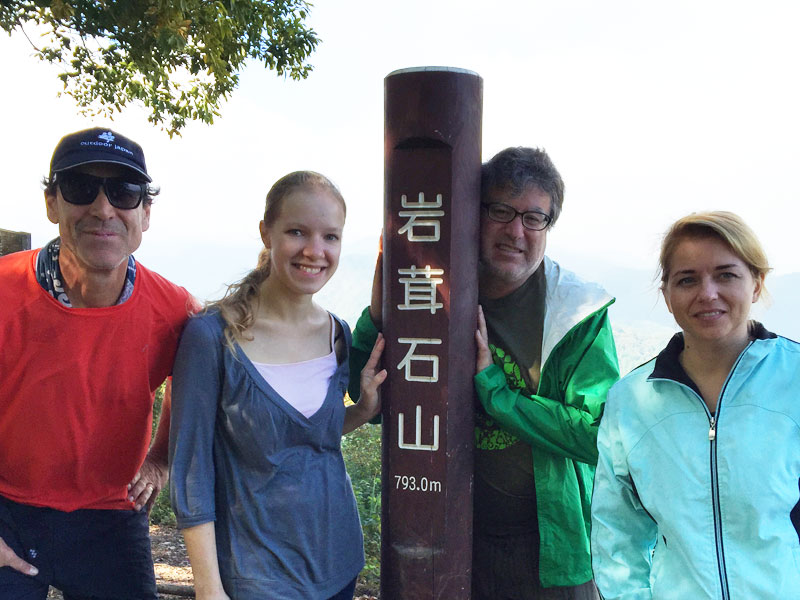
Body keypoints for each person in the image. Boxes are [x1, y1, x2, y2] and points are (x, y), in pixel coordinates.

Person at [352, 147, 620, 598]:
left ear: (548, 226)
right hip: (453, 534)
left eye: (535, 218)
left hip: (548, 544)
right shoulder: (438, 287)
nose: (516, 231)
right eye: (501, 211)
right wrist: (380, 316)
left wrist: (497, 392)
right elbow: (377, 406)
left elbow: (599, 435)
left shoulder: (576, 313)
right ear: (474, 214)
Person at [169, 171, 387, 600]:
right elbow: (190, 469)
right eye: (297, 232)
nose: (315, 251)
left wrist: (360, 411)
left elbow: (302, 439)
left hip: (337, 565)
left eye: (331, 237)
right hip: (256, 577)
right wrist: (208, 588)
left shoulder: (336, 334)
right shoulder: (213, 337)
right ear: (266, 233)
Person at [0, 127, 195, 599]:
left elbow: (191, 384)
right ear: (52, 203)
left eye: (124, 192)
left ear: (145, 213)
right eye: (80, 188)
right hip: (7, 507)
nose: (103, 208)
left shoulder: (175, 311)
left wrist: (162, 458)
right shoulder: (4, 293)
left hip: (112, 515)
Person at [591, 211, 800, 598]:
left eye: (726, 275)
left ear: (756, 284)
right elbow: (617, 532)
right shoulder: (632, 401)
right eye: (687, 279)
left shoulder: (794, 381)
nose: (707, 293)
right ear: (667, 296)